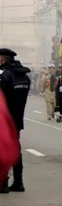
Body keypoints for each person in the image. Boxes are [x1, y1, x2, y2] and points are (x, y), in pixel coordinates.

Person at [0, 48, 31, 193]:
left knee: (3, 151)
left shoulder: (4, 75)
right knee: (15, 150)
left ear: (2, 59)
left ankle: (3, 183)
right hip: (17, 119)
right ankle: (18, 182)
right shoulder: (24, 76)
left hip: (3, 119)